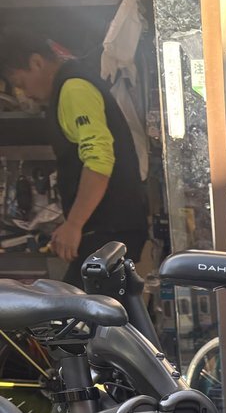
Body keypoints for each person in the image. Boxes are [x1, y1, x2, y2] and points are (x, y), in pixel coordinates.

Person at [0, 28, 148, 285]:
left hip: (108, 232)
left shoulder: (74, 88)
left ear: (37, 62)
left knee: (78, 308)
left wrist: (74, 225)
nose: (25, 94)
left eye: (22, 84)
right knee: (96, 308)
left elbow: (99, 159)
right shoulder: (70, 85)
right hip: (109, 231)